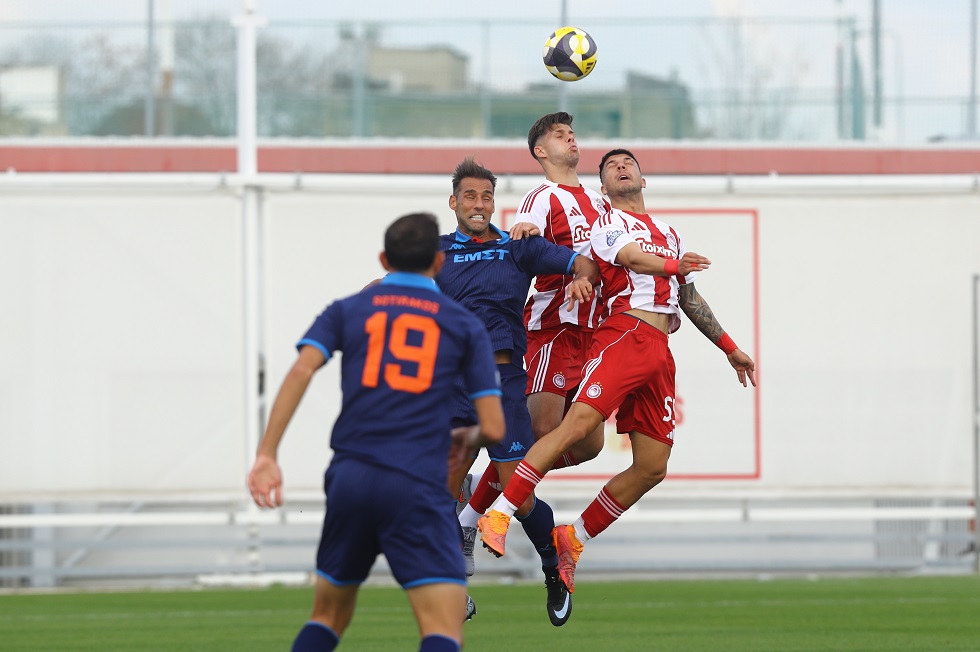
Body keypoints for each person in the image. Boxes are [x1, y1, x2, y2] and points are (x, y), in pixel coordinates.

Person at [478, 149, 756, 595]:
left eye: (629, 163)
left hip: (660, 351)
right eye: (610, 166)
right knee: (576, 427)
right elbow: (631, 259)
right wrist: (670, 265)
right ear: (603, 189)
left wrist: (730, 348)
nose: (622, 167)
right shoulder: (608, 226)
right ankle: (499, 513)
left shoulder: (669, 232)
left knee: (651, 466)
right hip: (624, 334)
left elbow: (688, 297)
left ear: (643, 180)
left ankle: (572, 538)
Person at [247, 212, 505, 652]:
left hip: (353, 477)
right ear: (439, 264)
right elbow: (495, 427)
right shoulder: (463, 325)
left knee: (327, 618)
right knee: (442, 625)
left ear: (385, 259)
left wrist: (267, 454)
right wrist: (468, 439)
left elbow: (300, 371)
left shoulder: (349, 309)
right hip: (417, 482)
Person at [437, 156, 598, 626]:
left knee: (519, 494)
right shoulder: (438, 252)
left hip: (503, 382)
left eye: (487, 196)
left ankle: (555, 568)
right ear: (453, 202)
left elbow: (578, 260)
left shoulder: (517, 247)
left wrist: (584, 277)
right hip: (453, 386)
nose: (479, 203)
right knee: (439, 491)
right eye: (470, 195)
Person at [458, 112, 611, 555]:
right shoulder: (542, 197)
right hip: (554, 327)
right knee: (543, 430)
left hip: (594, 333)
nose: (571, 139)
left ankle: (490, 488)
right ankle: (473, 517)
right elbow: (525, 235)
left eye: (573, 133)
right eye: (560, 136)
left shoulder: (599, 203)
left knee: (588, 445)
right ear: (541, 151)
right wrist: (526, 231)